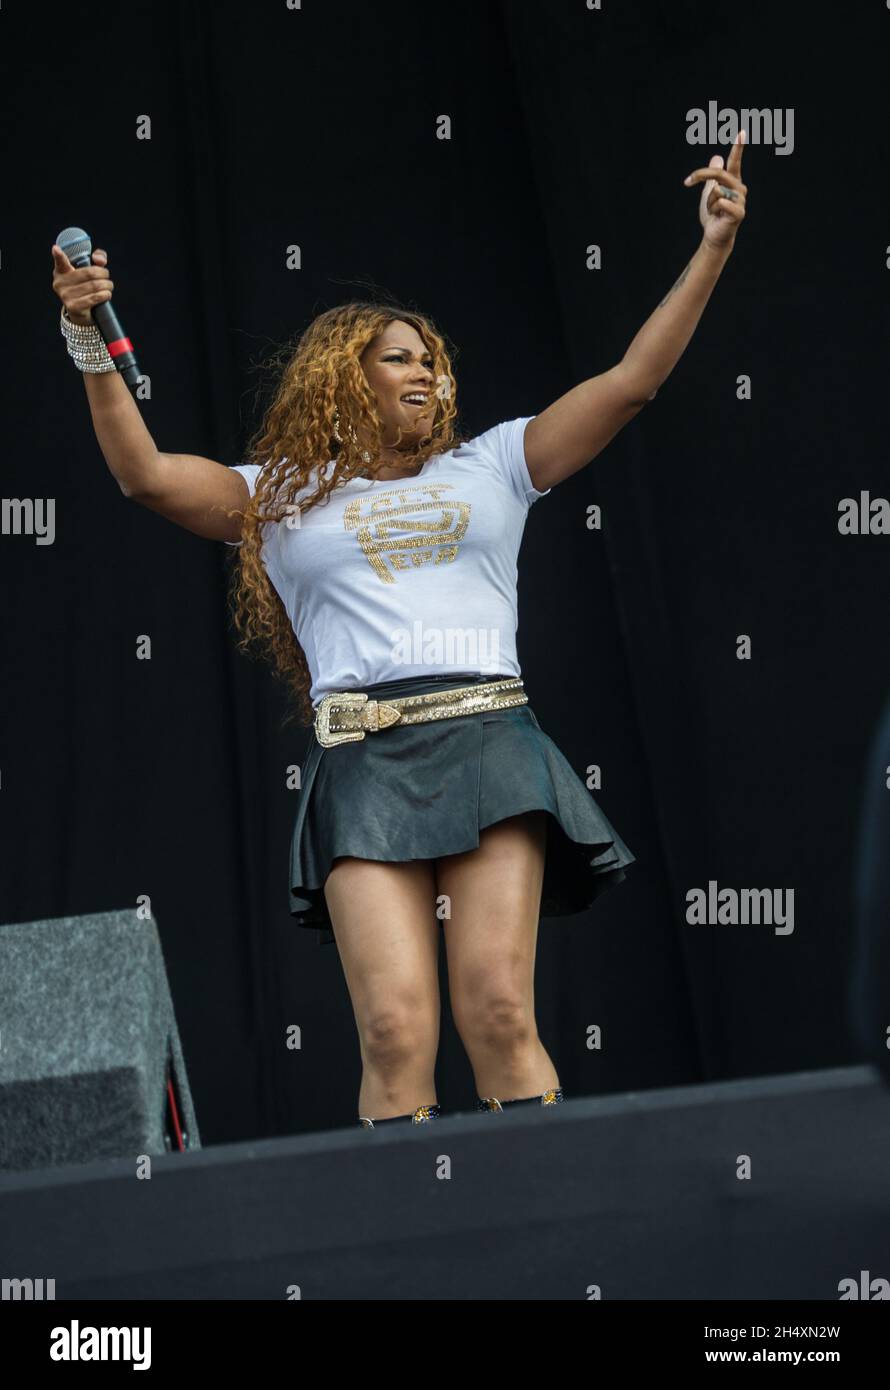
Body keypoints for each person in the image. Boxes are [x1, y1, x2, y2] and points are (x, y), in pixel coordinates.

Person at [50, 134, 747, 1130]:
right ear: (344, 378)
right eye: (398, 359)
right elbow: (145, 474)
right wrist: (88, 338)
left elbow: (632, 379)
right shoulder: (280, 496)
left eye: (430, 360)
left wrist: (711, 246)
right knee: (390, 1027)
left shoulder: (495, 465)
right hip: (364, 758)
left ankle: (541, 1235)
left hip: (488, 743)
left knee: (499, 1008)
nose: (423, 374)